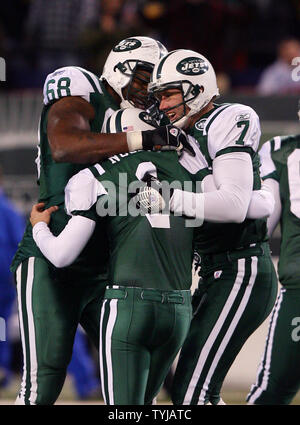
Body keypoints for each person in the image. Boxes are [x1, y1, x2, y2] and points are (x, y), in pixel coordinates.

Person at [28, 106, 274, 405]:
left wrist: (40, 229)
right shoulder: (190, 168)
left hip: (128, 307)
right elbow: (256, 204)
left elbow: (62, 255)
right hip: (178, 309)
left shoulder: (93, 178)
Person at [10, 35, 191, 405]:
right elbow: (64, 145)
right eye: (143, 78)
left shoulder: (142, 118)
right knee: (44, 380)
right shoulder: (82, 87)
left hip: (109, 264)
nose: (149, 90)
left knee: (139, 382)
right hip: (52, 255)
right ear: (119, 69)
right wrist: (143, 139)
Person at [147, 49, 278, 405]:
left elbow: (233, 205)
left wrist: (169, 199)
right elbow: (246, 201)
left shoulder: (227, 118)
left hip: (241, 267)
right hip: (214, 271)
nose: (163, 104)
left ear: (196, 87)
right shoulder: (176, 138)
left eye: (169, 93)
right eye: (159, 96)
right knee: (188, 390)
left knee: (193, 391)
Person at [246, 105, 300, 405]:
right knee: (271, 393)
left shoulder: (282, 151)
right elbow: (262, 226)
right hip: (297, 290)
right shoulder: (282, 151)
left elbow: (262, 227)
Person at [0, 167, 25, 390]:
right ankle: (2, 371)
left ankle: (2, 371)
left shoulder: (7, 210)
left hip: (2, 285)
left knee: (0, 326)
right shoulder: (8, 210)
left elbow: (19, 245)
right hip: (4, 283)